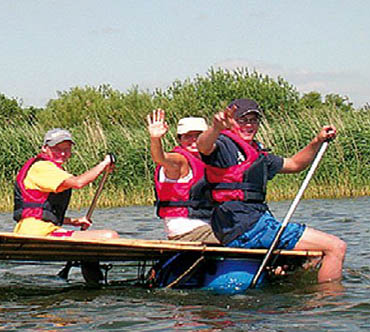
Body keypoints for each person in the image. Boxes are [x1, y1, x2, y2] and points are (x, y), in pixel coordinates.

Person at [196, 98, 347, 283]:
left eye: (253, 120)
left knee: (314, 255)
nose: (249, 125)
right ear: (231, 122)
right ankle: (331, 304)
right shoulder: (223, 146)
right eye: (242, 120)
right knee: (336, 247)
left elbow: (295, 164)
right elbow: (203, 146)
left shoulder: (258, 154)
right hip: (244, 226)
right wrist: (215, 128)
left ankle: (297, 288)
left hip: (256, 223)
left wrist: (317, 140)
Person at [13, 128, 118, 240]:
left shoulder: (48, 168)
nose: (63, 153)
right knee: (110, 236)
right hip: (37, 233)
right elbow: (78, 182)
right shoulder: (42, 167)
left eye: (67, 149)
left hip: (39, 230)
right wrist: (104, 164)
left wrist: (74, 221)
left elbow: (42, 213)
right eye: (57, 149)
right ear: (44, 148)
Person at [147, 109, 218, 243]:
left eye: (198, 135)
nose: (193, 140)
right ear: (180, 139)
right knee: (240, 238)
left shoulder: (211, 160)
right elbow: (160, 158)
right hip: (187, 232)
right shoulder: (180, 161)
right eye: (187, 136)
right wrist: (155, 139)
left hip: (207, 226)